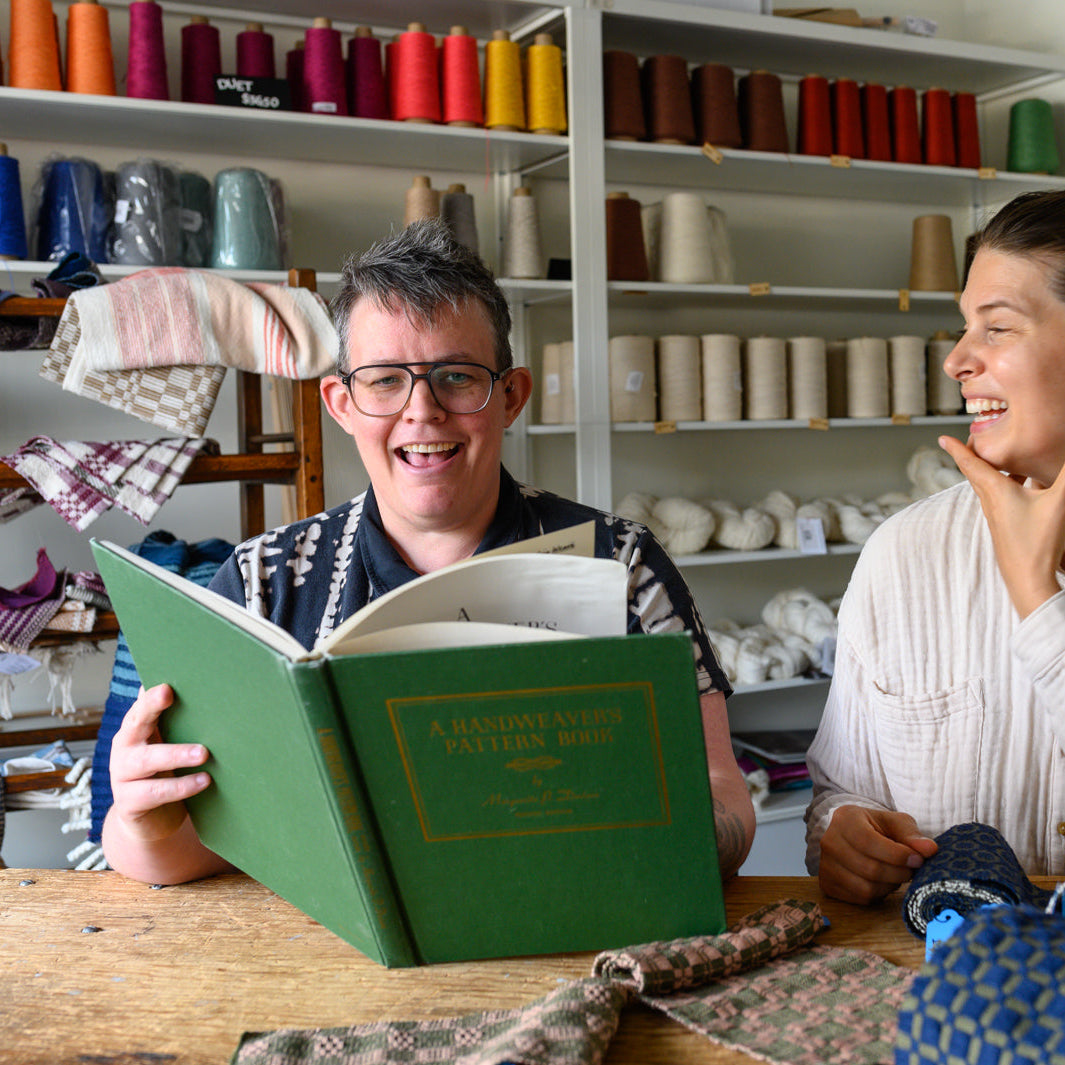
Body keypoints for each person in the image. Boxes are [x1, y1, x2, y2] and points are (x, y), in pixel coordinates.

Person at [102, 219, 756, 887]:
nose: (423, 410)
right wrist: (140, 821)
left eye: (455, 376)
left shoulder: (622, 565)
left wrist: (650, 827)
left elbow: (722, 792)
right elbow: (187, 850)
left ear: (510, 397)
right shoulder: (261, 584)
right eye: (385, 380)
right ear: (341, 402)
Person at [805, 188, 1065, 904]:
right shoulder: (903, 555)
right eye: (961, 327)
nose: (954, 360)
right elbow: (837, 790)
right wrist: (842, 830)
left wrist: (1037, 598)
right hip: (939, 999)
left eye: (997, 329)